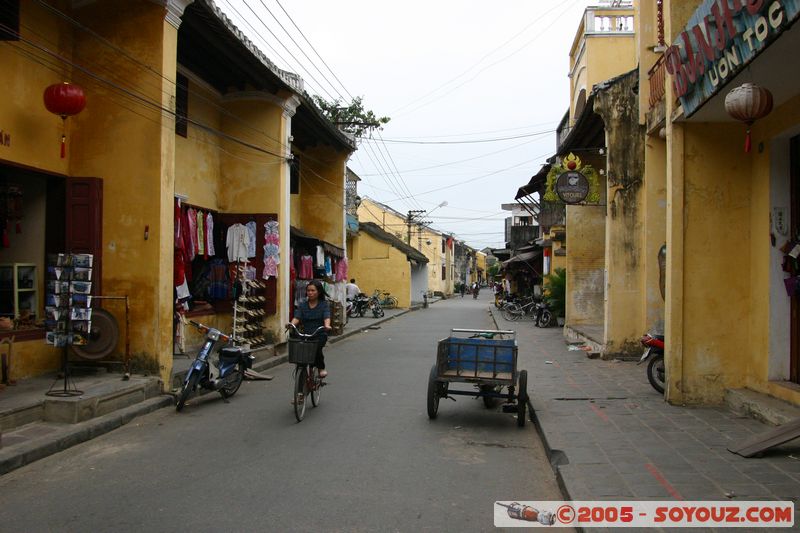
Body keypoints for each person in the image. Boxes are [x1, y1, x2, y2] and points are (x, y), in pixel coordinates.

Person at [287, 280, 331, 378]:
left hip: (319, 334)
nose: (310, 293)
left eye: (313, 290)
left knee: (317, 349)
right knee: (300, 350)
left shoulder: (324, 304)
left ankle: (321, 368)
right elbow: (297, 317)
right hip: (305, 334)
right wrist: (291, 324)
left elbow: (326, 316)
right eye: (308, 290)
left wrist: (327, 325)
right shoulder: (303, 305)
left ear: (318, 292)